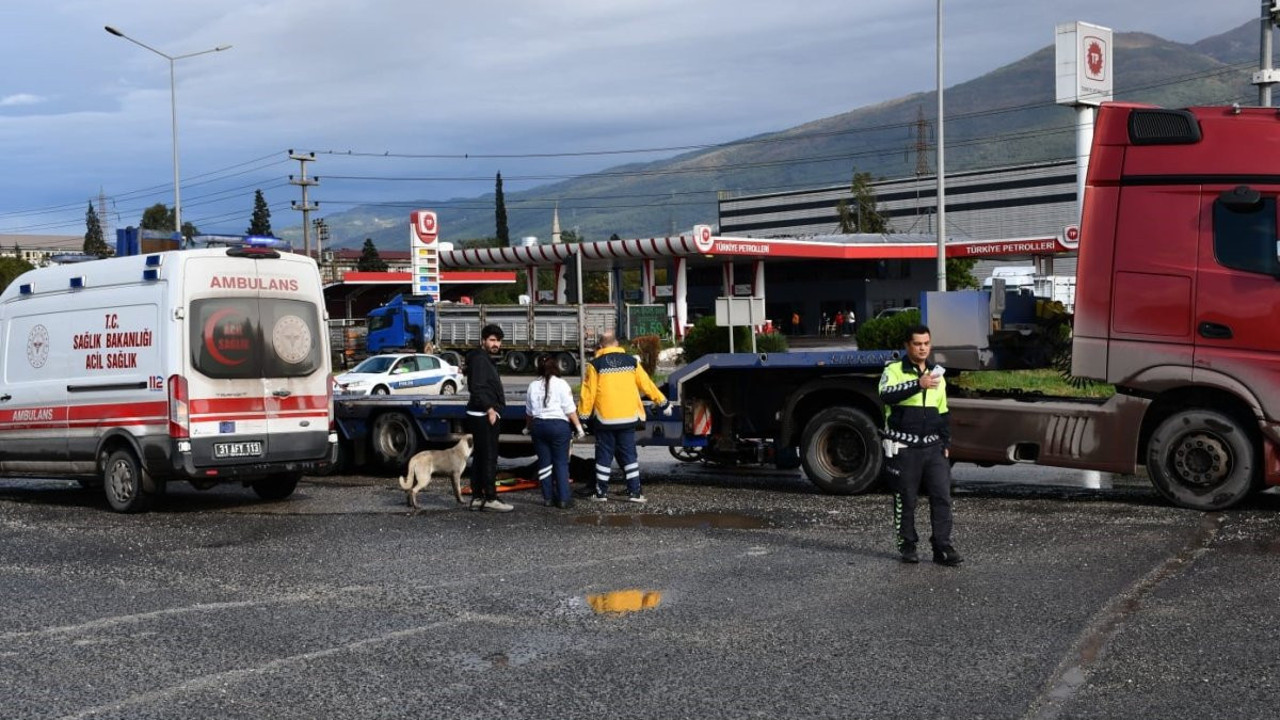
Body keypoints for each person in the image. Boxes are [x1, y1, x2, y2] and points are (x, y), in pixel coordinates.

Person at [878, 324, 962, 566]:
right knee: (906, 498)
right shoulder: (894, 370)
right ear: (907, 345)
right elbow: (885, 394)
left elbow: (943, 410)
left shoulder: (938, 373)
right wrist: (918, 384)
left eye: (926, 343)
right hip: (905, 447)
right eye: (917, 343)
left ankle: (942, 547)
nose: (923, 348)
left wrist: (946, 441)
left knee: (942, 497)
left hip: (934, 447)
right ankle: (908, 545)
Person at [577, 333, 669, 503]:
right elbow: (646, 384)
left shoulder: (595, 365)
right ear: (617, 343)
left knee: (604, 456)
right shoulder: (632, 362)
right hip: (627, 418)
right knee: (629, 456)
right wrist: (663, 402)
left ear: (601, 346)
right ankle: (635, 493)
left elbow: (587, 394)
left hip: (605, 419)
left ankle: (601, 493)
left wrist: (582, 418)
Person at [524, 354, 586, 509]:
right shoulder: (562, 384)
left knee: (544, 463)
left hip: (539, 427)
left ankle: (548, 498)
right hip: (558, 427)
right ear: (555, 367)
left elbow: (529, 413)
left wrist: (528, 427)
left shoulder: (532, 385)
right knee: (560, 463)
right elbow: (570, 410)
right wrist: (579, 428)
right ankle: (564, 499)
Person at [463, 324, 513, 512]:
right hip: (484, 415)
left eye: (498, 340)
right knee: (489, 457)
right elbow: (478, 388)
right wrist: (491, 409)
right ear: (483, 340)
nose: (496, 344)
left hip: (481, 413)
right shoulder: (481, 360)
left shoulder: (481, 358)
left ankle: (477, 497)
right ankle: (490, 497)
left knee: (481, 457)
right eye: (492, 340)